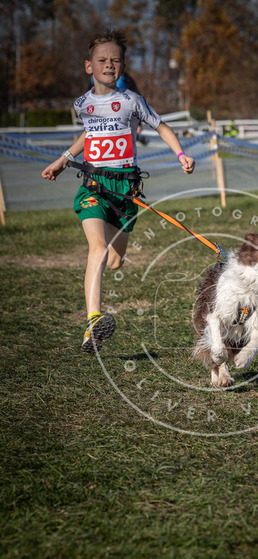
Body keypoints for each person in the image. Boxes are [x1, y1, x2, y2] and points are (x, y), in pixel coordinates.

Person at [42, 28, 195, 353]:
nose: (109, 65)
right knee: (97, 249)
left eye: (115, 60)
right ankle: (93, 323)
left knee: (114, 261)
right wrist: (63, 159)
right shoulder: (82, 104)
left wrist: (181, 154)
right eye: (102, 60)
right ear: (89, 66)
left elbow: (162, 126)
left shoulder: (132, 101)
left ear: (122, 66)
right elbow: (90, 134)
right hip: (94, 187)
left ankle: (98, 309)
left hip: (126, 190)